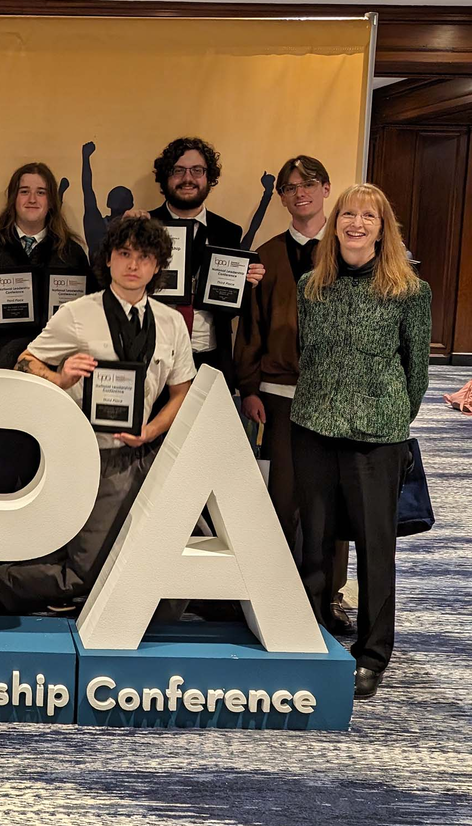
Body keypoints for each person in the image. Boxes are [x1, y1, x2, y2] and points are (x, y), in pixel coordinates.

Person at [0, 216, 195, 613]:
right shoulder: (77, 313)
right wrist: (60, 376)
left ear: (158, 265)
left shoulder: (172, 323)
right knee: (84, 571)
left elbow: (182, 391)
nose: (133, 265)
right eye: (124, 254)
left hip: (147, 456)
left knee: (162, 567)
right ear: (108, 260)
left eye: (143, 257)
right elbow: (24, 362)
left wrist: (152, 431)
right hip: (88, 455)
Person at [292, 184, 431, 700]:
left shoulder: (410, 292)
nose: (355, 223)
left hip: (378, 437)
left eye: (367, 217)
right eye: (347, 214)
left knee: (376, 546)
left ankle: (372, 653)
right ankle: (311, 631)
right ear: (335, 225)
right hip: (312, 429)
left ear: (382, 227)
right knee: (318, 539)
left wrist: (390, 414)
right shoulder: (311, 286)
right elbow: (308, 352)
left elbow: (416, 372)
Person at [234, 154, 351, 632]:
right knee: (283, 497)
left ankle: (331, 596)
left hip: (338, 396)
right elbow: (251, 329)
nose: (299, 193)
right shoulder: (265, 257)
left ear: (326, 189)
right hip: (279, 392)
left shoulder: (351, 250)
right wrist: (249, 387)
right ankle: (278, 594)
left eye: (309, 184)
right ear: (281, 197)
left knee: (335, 499)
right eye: (290, 187)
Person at [0, 161, 94, 492]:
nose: (33, 199)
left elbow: (92, 315)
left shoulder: (72, 254)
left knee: (47, 484)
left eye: (41, 192)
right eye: (24, 191)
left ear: (52, 201)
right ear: (13, 199)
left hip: (54, 383)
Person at [130, 137, 264, 383]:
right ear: (165, 177)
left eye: (197, 171)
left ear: (208, 177)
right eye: (178, 170)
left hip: (210, 362)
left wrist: (246, 285)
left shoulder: (228, 232)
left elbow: (233, 309)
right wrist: (126, 233)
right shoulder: (143, 226)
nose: (188, 178)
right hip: (151, 361)